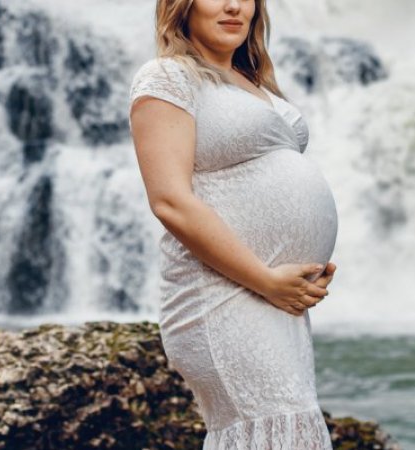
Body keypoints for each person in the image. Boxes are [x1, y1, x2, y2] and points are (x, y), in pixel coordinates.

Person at [128, 0, 339, 447]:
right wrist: (266, 278)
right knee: (274, 429)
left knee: (286, 432)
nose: (232, 5)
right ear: (181, 7)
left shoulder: (252, 81)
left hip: (272, 298)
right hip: (222, 294)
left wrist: (300, 273)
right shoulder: (167, 76)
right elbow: (170, 201)